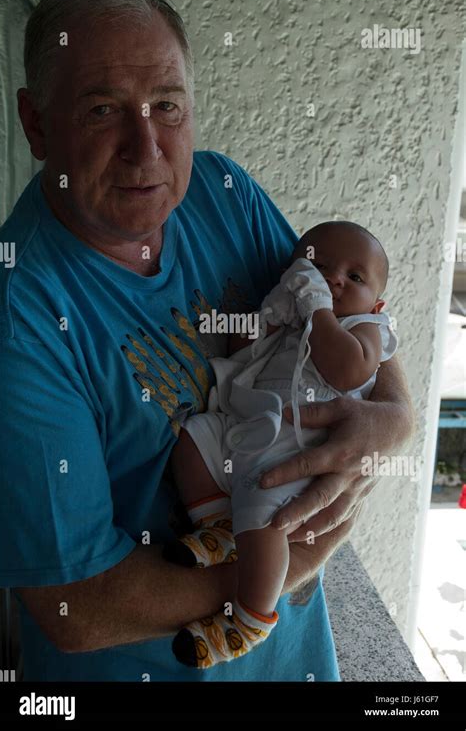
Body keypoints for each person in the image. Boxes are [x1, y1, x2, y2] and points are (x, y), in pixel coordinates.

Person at [0, 0, 414, 682]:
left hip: (296, 662)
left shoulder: (223, 192)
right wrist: (282, 565)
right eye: (102, 111)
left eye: (167, 106)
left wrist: (394, 416)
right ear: (37, 125)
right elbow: (78, 607)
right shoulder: (20, 318)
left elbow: (353, 309)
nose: (145, 146)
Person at [164, 222, 399, 668]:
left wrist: (317, 310)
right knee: (195, 439)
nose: (333, 280)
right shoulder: (296, 311)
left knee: (264, 505)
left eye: (354, 277)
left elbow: (345, 370)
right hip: (252, 427)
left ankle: (251, 616)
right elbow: (240, 349)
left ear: (378, 302)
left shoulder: (367, 329)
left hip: (300, 452)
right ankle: (218, 525)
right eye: (321, 266)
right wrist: (272, 313)